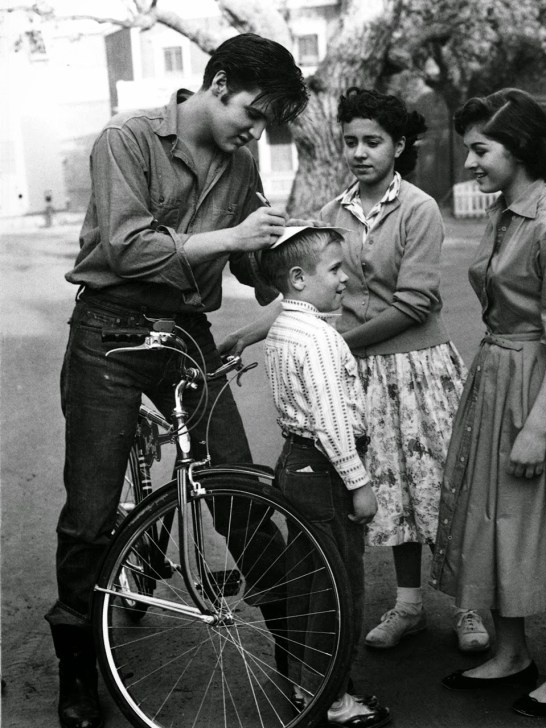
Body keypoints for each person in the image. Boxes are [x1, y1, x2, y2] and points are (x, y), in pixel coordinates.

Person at [46, 33, 308, 728]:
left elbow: (253, 269)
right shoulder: (126, 139)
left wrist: (291, 250)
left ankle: (297, 656)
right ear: (219, 83)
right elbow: (126, 247)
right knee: (92, 508)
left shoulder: (240, 159)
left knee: (237, 483)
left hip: (184, 329)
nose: (256, 130)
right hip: (109, 330)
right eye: (253, 111)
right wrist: (231, 239)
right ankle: (78, 672)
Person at [432, 88, 546, 718]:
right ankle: (510, 653)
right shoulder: (506, 214)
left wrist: (536, 428)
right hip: (496, 379)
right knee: (494, 520)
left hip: (545, 393)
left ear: (519, 148)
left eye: (481, 150)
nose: (471, 163)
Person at [318, 87, 490, 653]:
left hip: (419, 368)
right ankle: (409, 605)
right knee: (391, 491)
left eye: (374, 141)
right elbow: (314, 289)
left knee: (441, 488)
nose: (360, 152)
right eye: (351, 142)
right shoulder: (332, 213)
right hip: (364, 376)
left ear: (398, 146)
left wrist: (344, 343)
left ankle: (468, 606)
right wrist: (254, 329)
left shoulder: (418, 207)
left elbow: (415, 303)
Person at [259, 224, 391, 728]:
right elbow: (332, 421)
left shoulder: (284, 329)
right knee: (340, 589)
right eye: (334, 269)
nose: (344, 278)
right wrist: (358, 483)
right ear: (297, 278)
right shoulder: (317, 338)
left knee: (310, 583)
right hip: (326, 470)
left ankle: (305, 680)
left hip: (298, 464)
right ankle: (331, 700)